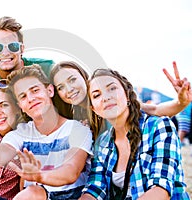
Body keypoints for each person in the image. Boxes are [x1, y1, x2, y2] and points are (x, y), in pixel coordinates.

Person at [0, 65, 93, 199]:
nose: (30, 98)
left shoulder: (77, 129)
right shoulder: (20, 134)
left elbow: (71, 171)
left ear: (50, 90)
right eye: (23, 96)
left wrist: (39, 176)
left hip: (65, 196)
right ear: (20, 106)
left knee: (32, 192)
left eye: (35, 90)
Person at [79, 68, 189, 199]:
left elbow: (160, 190)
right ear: (94, 109)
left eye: (112, 88)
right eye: (97, 95)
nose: (106, 97)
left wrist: (181, 101)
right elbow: (95, 188)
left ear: (127, 95)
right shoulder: (102, 142)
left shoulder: (159, 127)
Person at [50, 60, 191, 138]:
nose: (69, 89)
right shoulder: (72, 119)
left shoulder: (111, 102)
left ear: (84, 76)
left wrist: (181, 102)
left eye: (72, 79)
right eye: (60, 87)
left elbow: (155, 109)